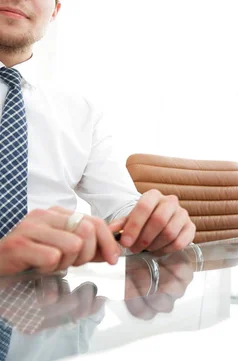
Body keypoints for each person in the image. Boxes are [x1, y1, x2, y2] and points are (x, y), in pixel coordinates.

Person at [0, 0, 196, 275]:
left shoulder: (82, 112)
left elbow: (120, 206)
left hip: (52, 304)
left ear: (55, 10)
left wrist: (153, 221)